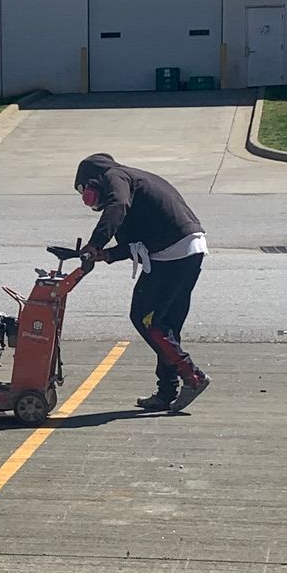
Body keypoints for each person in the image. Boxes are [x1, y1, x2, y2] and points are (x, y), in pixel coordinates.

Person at [72, 151, 210, 413]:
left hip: (174, 252)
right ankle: (166, 392)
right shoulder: (132, 181)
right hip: (188, 249)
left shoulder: (115, 177)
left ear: (93, 181)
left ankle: (193, 377)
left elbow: (117, 207)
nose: (88, 201)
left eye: (85, 192)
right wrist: (108, 254)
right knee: (165, 325)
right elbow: (137, 240)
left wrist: (94, 244)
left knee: (145, 317)